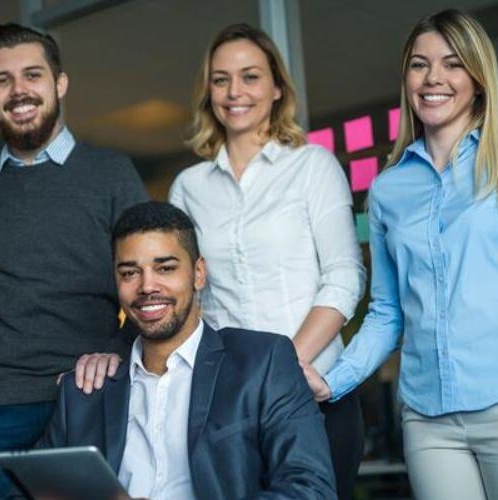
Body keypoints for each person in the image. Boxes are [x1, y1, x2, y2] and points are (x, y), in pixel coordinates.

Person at [300, 9, 498, 500]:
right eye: (419, 65)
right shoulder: (386, 190)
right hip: (430, 425)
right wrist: (332, 381)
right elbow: (387, 314)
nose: (433, 79)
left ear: (478, 77)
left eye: (452, 64)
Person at [74, 23, 366, 499]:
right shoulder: (189, 186)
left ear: (276, 88)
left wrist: (281, 371)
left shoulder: (313, 166)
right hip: (223, 402)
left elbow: (344, 277)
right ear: (208, 92)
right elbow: (181, 290)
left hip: (314, 389)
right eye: (221, 79)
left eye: (250, 77)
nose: (235, 92)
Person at [0, 23, 148, 496]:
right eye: (2, 80)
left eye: (32, 75)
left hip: (93, 394)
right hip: (1, 407)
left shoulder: (111, 174)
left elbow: (147, 276)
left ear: (59, 84)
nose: (18, 90)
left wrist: (117, 350)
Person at [42, 201, 336, 499]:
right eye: (130, 273)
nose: (147, 287)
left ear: (198, 273)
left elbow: (310, 489)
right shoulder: (83, 392)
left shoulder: (263, 362)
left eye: (165, 268)